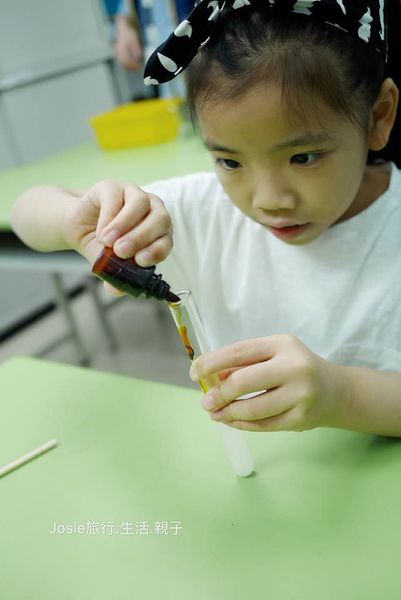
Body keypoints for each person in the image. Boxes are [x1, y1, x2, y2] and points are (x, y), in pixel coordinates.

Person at [12, 0, 401, 436]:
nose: (269, 201)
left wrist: (343, 395)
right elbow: (26, 211)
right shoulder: (203, 212)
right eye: (230, 162)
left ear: (379, 116)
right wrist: (73, 219)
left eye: (303, 157)